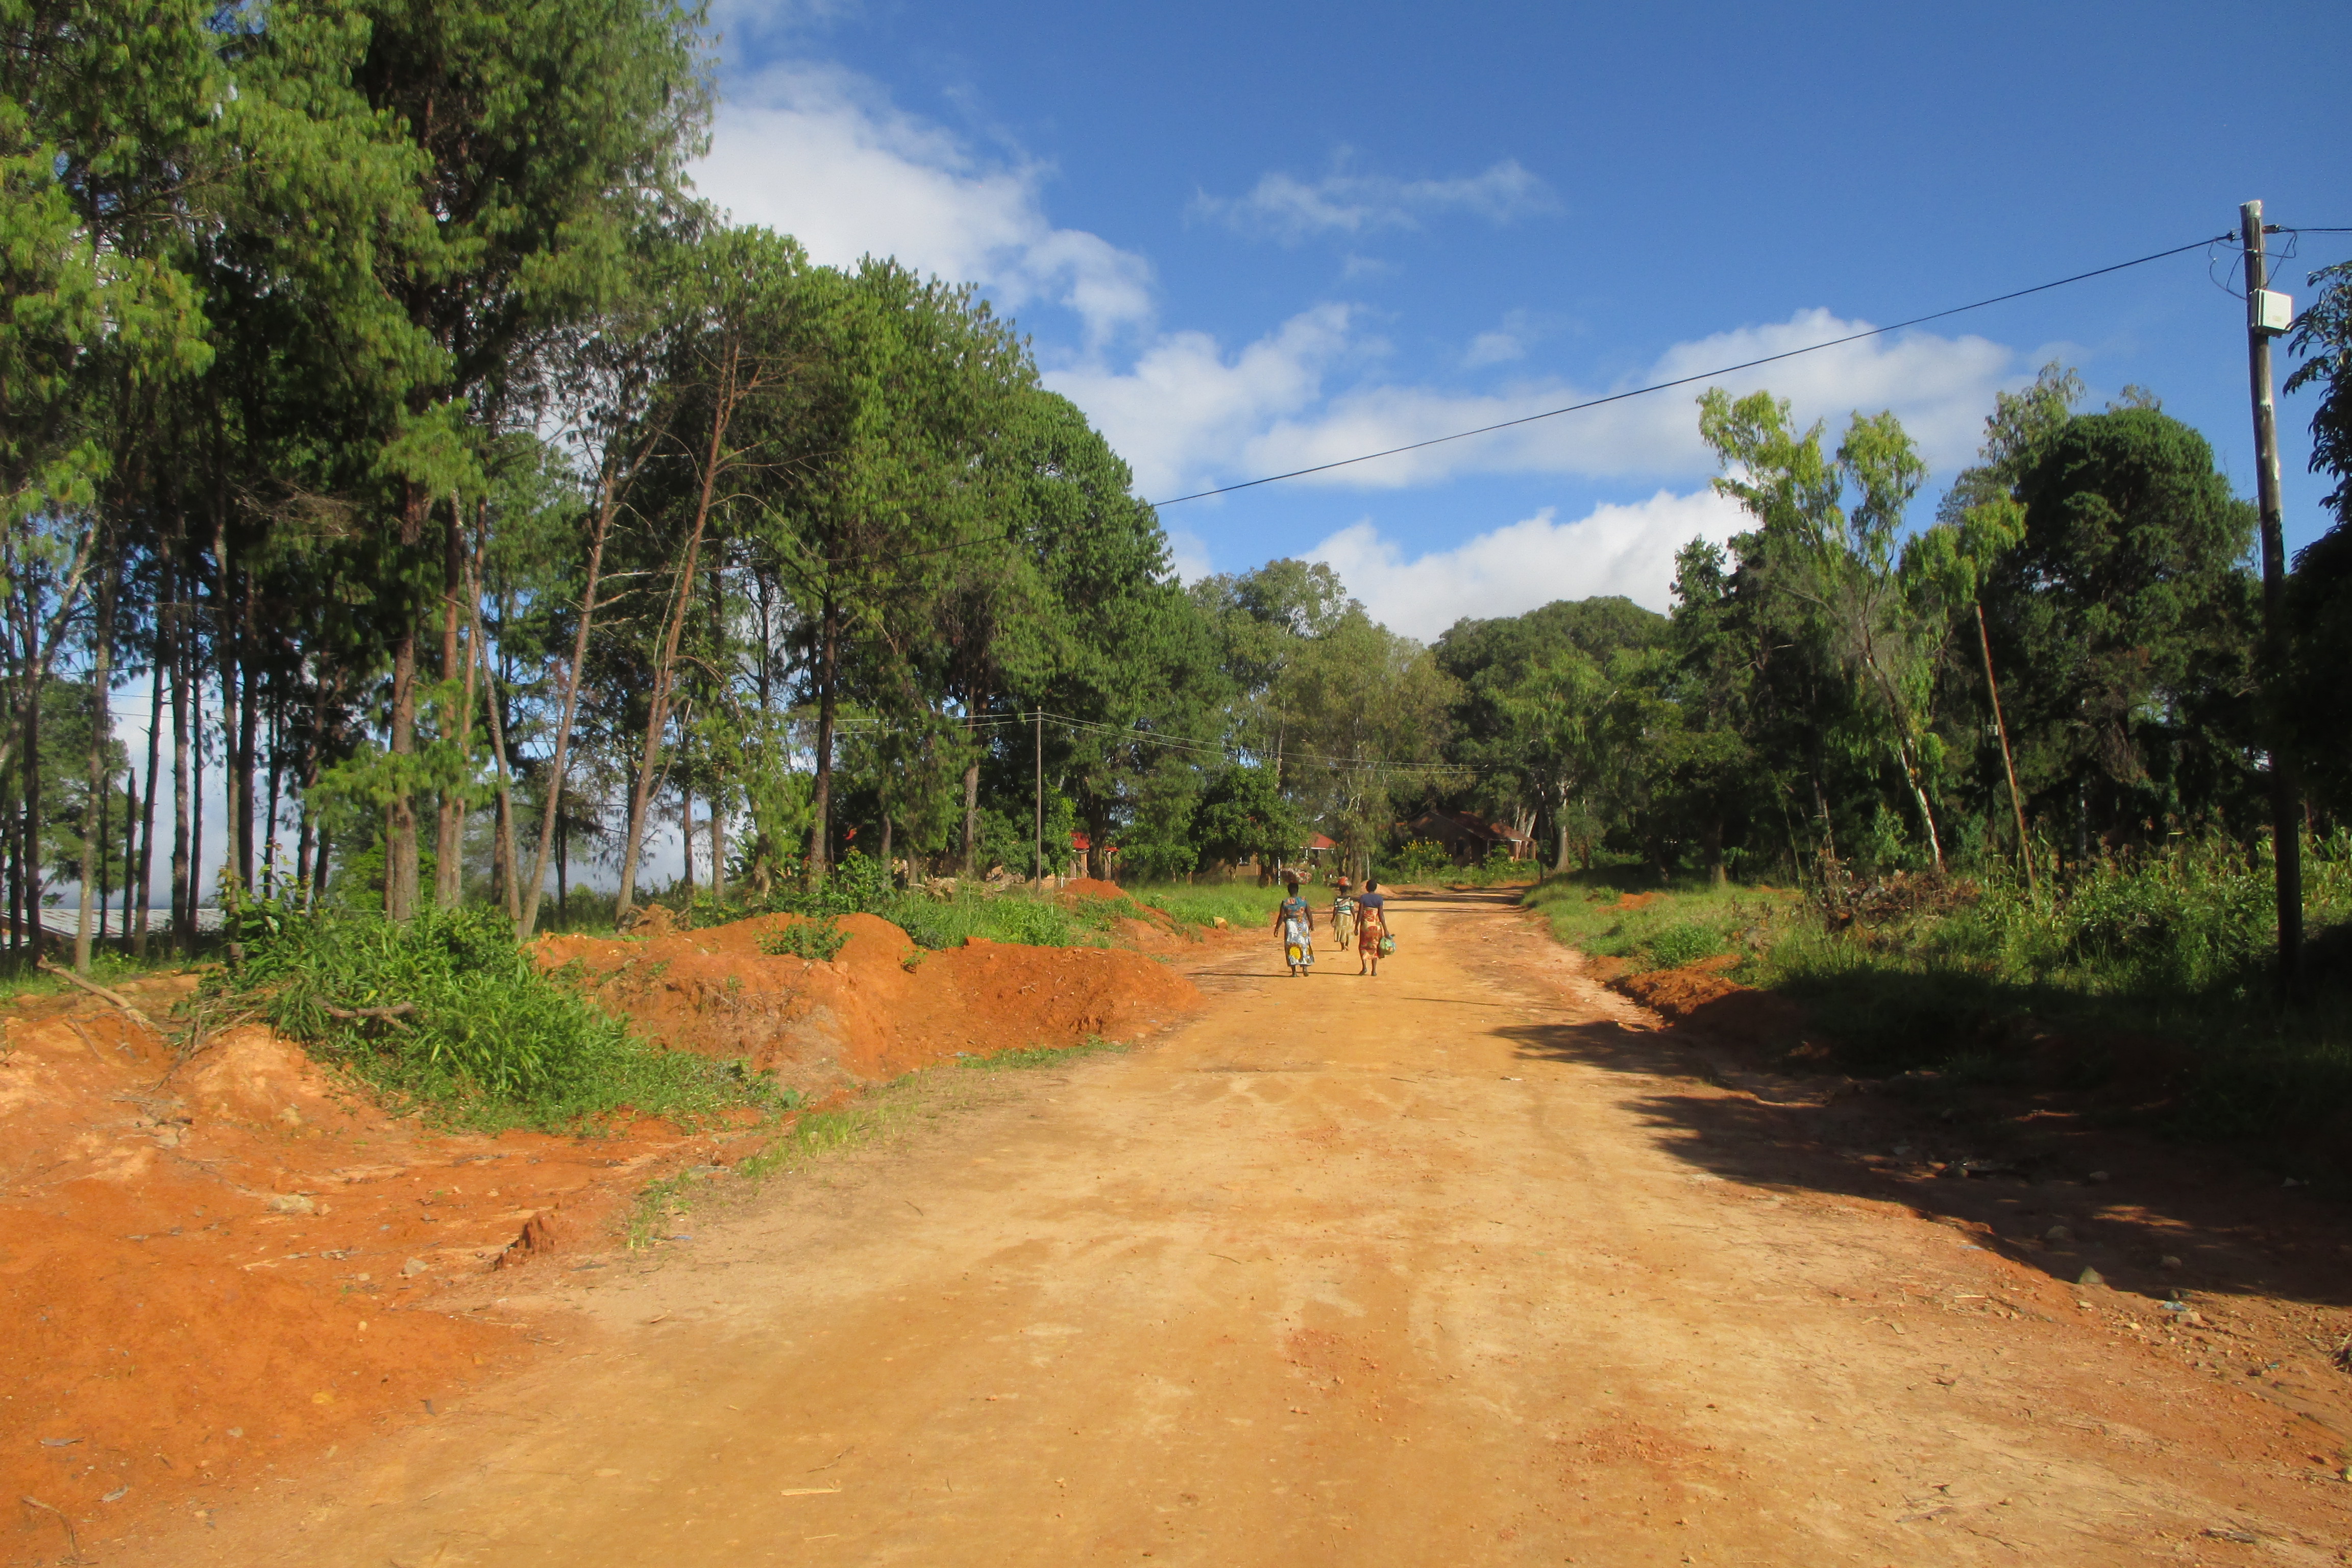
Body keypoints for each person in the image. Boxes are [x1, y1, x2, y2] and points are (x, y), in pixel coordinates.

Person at [1273, 878, 1315, 977]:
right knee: (1304, 944)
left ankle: (1294, 972)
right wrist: (1312, 924)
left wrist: (1277, 928)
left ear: (1289, 891)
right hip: (1302, 924)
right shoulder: (1304, 901)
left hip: (1290, 924)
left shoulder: (1285, 902)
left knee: (1292, 946)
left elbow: (1282, 916)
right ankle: (1305, 967)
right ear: (1298, 890)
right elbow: (1309, 913)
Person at [1355, 878, 1389, 976]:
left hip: (1366, 926)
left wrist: (1356, 926)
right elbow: (1381, 915)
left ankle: (1364, 967)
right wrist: (1386, 929)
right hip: (1376, 926)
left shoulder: (1363, 898)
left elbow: (1360, 913)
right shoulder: (1379, 899)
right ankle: (1374, 970)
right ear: (1376, 888)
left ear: (1366, 888)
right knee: (1375, 946)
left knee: (1363, 946)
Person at [1330, 876, 1358, 952]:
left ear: (1340, 889)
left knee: (1341, 931)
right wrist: (1354, 916)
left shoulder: (1338, 899)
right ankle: (1347, 945)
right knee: (1348, 931)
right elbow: (1352, 908)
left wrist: (1333, 918)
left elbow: (1336, 909)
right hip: (1348, 916)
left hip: (1340, 916)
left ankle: (1343, 947)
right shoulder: (1349, 899)